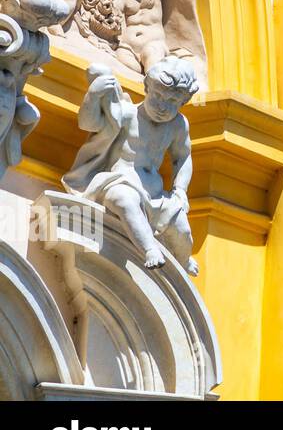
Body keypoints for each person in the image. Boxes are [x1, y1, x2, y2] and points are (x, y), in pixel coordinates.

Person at [62, 57, 201, 274]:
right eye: (157, 96)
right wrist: (94, 94)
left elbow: (182, 158)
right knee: (124, 200)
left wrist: (180, 191)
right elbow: (87, 124)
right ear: (147, 88)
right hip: (120, 179)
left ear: (182, 103)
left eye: (172, 102)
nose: (163, 107)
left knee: (182, 229)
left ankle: (182, 261)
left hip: (155, 193)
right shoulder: (128, 113)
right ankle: (149, 250)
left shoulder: (178, 125)